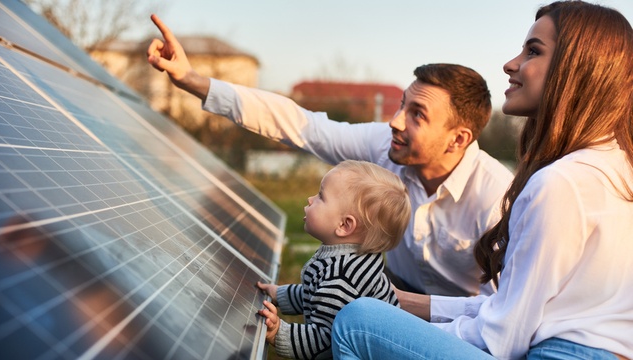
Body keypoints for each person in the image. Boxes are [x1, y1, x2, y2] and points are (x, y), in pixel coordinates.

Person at [330, 1, 633, 359]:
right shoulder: (616, 164)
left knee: (357, 322)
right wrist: (403, 304)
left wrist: (406, 327)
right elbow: (513, 308)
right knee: (375, 311)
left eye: (533, 51)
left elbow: (503, 338)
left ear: (577, 70)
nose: (511, 64)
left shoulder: (560, 183)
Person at [146, 15, 515, 297]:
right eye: (402, 104)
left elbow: (499, 313)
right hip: (393, 289)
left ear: (458, 139)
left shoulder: (497, 198)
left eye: (417, 114)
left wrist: (396, 306)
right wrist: (193, 80)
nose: (395, 121)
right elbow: (301, 125)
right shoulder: (386, 146)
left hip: (461, 323)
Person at [254, 159, 411, 359]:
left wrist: (278, 333)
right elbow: (317, 295)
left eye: (320, 196)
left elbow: (324, 342)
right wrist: (280, 295)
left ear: (344, 225)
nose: (310, 199)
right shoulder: (347, 259)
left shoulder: (341, 279)